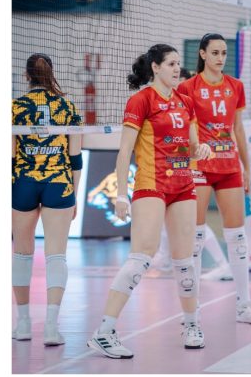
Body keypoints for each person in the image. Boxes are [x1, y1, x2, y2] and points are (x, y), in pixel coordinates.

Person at [86, 44, 211, 359]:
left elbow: (189, 147)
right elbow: (125, 151)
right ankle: (104, 332)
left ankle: (192, 325)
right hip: (151, 183)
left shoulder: (185, 102)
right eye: (170, 64)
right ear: (155, 67)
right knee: (141, 257)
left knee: (185, 261)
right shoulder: (141, 100)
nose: (176, 69)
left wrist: (201, 150)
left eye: (178, 64)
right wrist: (120, 195)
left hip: (183, 185)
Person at [177, 33, 251, 325]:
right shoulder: (188, 87)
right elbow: (183, 127)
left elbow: (238, 129)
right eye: (214, 52)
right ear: (202, 54)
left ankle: (244, 305)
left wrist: (247, 168)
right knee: (195, 236)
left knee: (237, 237)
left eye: (224, 53)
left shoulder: (235, 86)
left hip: (229, 165)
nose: (220, 58)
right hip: (200, 165)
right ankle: (192, 310)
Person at [11, 53, 83, 346]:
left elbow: (9, 156)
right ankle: (51, 327)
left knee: (21, 254)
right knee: (56, 255)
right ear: (51, 74)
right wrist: (73, 194)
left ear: (27, 76)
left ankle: (23, 324)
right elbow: (75, 158)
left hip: (23, 182)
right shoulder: (68, 107)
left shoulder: (15, 107)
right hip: (58, 183)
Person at [151, 68, 234, 282]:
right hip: (177, 166)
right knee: (169, 214)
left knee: (194, 221)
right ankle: (164, 257)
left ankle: (223, 265)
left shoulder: (189, 107)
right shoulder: (171, 105)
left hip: (193, 166)